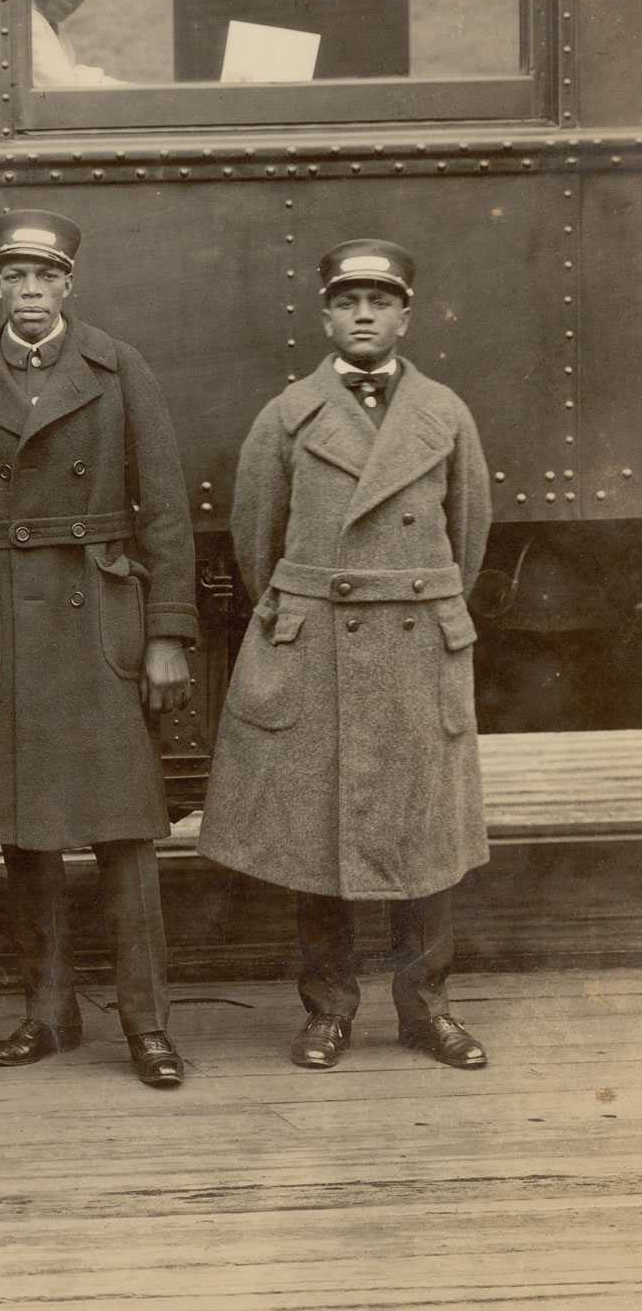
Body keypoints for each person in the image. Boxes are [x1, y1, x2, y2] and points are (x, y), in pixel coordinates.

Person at [198, 241, 494, 1072]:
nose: (364, 315)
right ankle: (328, 1008)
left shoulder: (446, 414)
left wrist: (410, 596)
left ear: (407, 315)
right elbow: (257, 544)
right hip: (322, 643)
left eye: (380, 301)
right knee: (319, 835)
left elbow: (466, 541)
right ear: (326, 316)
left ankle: (427, 1006)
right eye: (348, 301)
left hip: (415, 644)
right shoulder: (287, 415)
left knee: (425, 836)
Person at [0, 211, 196, 1090]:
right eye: (16, 277)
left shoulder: (119, 371)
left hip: (101, 617)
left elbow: (164, 509)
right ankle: (48, 1011)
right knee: (27, 830)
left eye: (47, 278)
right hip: (1, 618)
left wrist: (166, 632)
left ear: (69, 285)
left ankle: (147, 1023)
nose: (32, 292)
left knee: (124, 833)